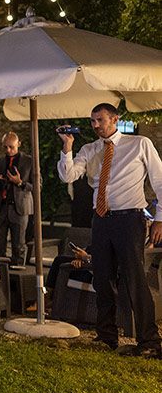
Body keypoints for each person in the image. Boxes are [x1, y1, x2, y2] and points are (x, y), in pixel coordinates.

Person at [58, 103, 162, 357]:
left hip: (130, 220)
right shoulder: (89, 149)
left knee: (134, 278)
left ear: (114, 119)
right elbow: (68, 175)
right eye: (92, 121)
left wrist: (160, 218)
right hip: (102, 220)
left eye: (100, 120)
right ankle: (106, 337)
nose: (95, 126)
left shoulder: (139, 144)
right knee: (102, 279)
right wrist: (67, 147)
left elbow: (160, 180)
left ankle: (149, 341)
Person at [0, 132, 33, 266]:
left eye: (11, 147)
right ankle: (1, 276)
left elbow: (37, 187)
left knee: (19, 246)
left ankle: (17, 278)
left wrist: (20, 182)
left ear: (19, 144)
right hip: (0, 208)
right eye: (5, 147)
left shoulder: (29, 162)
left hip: (19, 208)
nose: (8, 150)